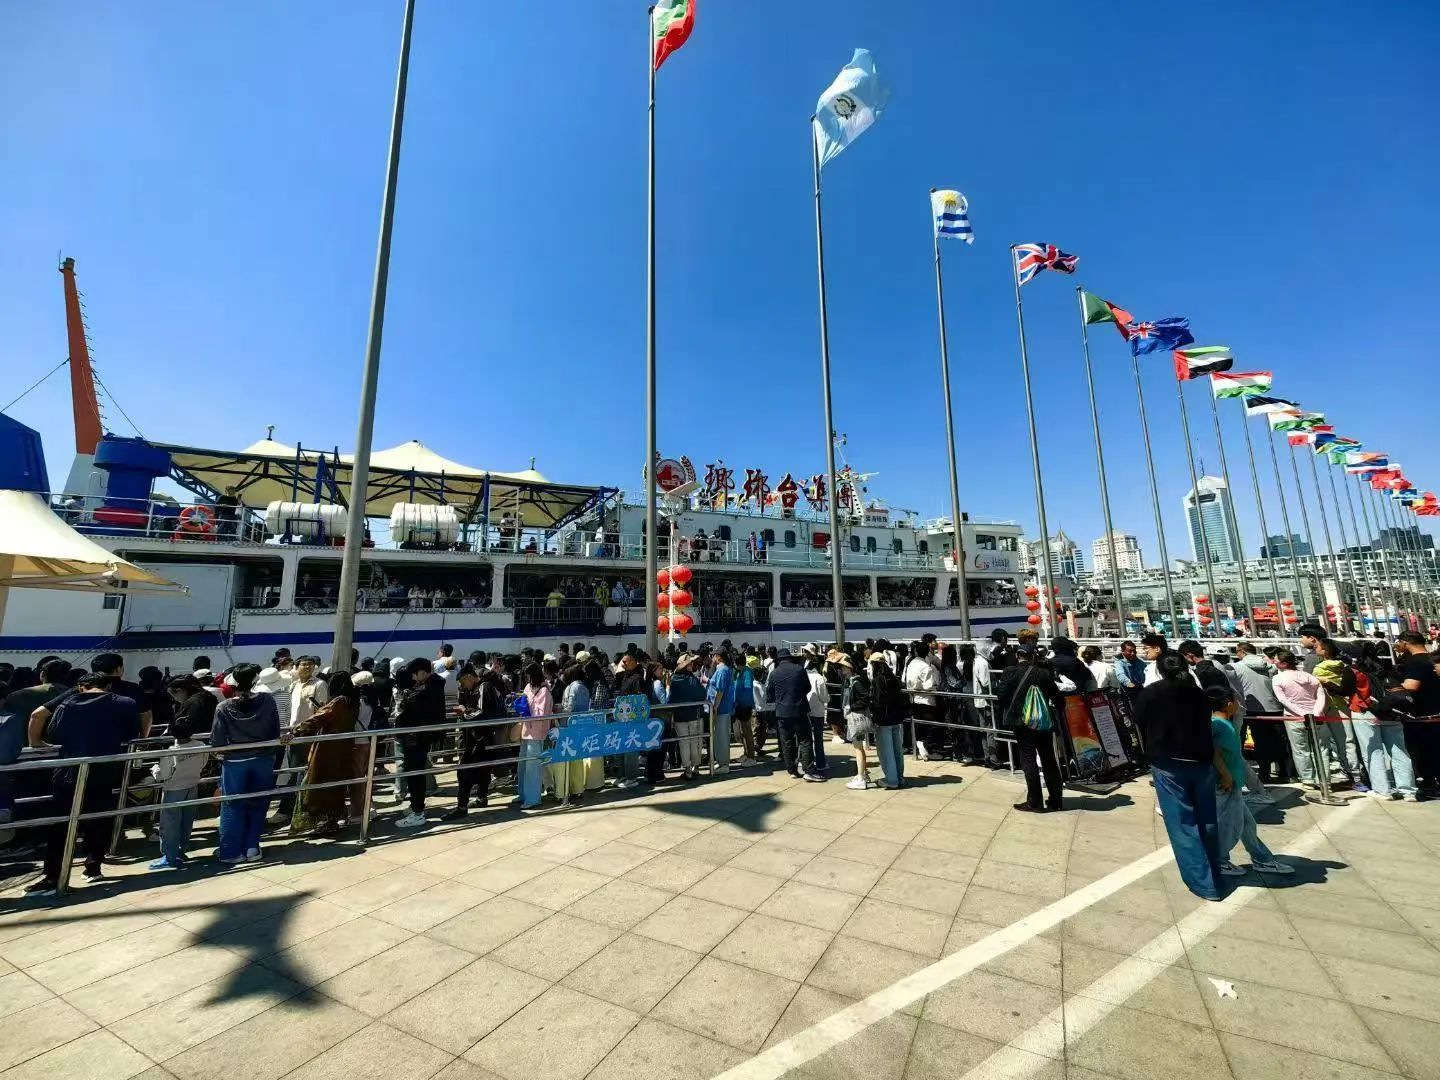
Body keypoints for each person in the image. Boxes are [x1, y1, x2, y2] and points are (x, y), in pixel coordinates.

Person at [25, 673, 143, 893]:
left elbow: (53, 733)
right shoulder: (125, 703)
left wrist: (38, 743)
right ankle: (93, 866)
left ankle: (53, 876)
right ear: (109, 686)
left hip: (68, 770)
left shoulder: (67, 703)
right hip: (105, 769)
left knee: (61, 824)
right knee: (99, 819)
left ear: (81, 687)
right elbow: (131, 733)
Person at [1135, 653, 1225, 900]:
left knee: (1182, 824)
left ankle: (1203, 883)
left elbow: (1138, 721)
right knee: (1207, 819)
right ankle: (1215, 872)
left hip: (1168, 762)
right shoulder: (1198, 693)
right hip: (1201, 761)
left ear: (1159, 670)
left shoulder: (1151, 693)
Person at [1206, 686, 1293, 877]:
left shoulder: (1224, 723)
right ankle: (1219, 860)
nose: (1239, 705)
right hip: (1225, 784)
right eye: (1236, 701)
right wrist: (1226, 775)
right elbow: (1213, 751)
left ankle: (1262, 858)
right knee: (1231, 827)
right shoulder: (1218, 725)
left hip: (1232, 782)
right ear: (1229, 704)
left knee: (1246, 825)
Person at [210, 663, 283, 866]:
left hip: (235, 761)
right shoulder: (267, 700)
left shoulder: (223, 707)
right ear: (255, 680)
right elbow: (275, 732)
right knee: (259, 802)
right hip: (263, 759)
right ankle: (252, 847)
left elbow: (217, 740)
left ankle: (230, 851)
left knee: (232, 805)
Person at [995, 645, 1066, 813]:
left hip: (1022, 722)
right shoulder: (1043, 673)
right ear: (1033, 656)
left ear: (1018, 655)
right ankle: (1056, 800)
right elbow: (1058, 698)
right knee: (1048, 759)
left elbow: (1001, 696)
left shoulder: (1010, 672)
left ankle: (1035, 802)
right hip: (1043, 722)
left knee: (1028, 760)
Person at [289, 671, 362, 834]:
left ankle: (322, 822)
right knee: (336, 786)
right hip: (344, 747)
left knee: (319, 786)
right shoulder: (353, 702)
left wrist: (295, 731)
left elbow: (319, 719)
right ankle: (332, 820)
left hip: (328, 749)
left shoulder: (338, 701)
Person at [1345, 641, 1416, 801]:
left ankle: (1382, 790)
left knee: (1373, 752)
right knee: (1400, 751)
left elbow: (1346, 690)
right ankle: (1408, 791)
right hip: (1392, 712)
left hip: (1365, 712)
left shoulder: (1354, 670)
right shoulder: (1387, 667)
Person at [1272, 648, 1345, 788]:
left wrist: (1301, 713)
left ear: (1283, 663)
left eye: (1276, 660)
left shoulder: (1277, 678)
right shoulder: (1310, 676)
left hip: (1294, 718)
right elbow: (1321, 695)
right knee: (1322, 749)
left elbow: (1283, 700)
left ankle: (1308, 779)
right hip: (1317, 717)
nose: (1274, 662)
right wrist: (1316, 712)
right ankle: (1324, 779)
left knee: (1301, 749)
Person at [150, 714, 207, 870]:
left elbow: (162, 775)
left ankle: (170, 856)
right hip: (192, 785)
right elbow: (203, 763)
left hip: (173, 789)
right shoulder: (201, 745)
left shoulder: (171, 751)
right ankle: (181, 850)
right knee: (186, 822)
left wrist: (154, 769)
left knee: (170, 824)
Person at [393, 658, 443, 827]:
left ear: (421, 672)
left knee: (414, 774)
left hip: (415, 739)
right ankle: (417, 807)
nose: (412, 678)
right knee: (416, 773)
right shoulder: (431, 686)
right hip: (419, 738)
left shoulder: (424, 692)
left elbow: (408, 714)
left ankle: (417, 812)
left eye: (413, 674)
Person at [1391, 630, 1440, 795]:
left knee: (1421, 751)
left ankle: (1428, 783)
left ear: (1406, 643)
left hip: (1420, 714)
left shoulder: (1414, 661)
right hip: (1436, 711)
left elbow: (1411, 685)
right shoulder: (1433, 659)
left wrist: (1392, 689)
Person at [770, 649, 820, 781]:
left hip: (782, 712)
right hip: (799, 709)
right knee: (805, 740)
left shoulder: (774, 673)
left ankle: (791, 770)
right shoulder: (799, 669)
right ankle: (808, 769)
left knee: (786, 742)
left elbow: (769, 694)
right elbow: (808, 687)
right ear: (790, 658)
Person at [866, 651, 907, 789]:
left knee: (886, 751)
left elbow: (878, 701)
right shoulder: (894, 679)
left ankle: (891, 779)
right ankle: (899, 777)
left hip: (883, 720)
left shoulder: (877, 681)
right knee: (897, 750)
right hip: (897, 718)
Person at [553, 664, 592, 806]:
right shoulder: (584, 687)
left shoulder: (571, 687)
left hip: (568, 726)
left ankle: (564, 792)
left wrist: (557, 709)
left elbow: (569, 707)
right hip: (581, 725)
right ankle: (578, 789)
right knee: (578, 758)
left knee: (565, 760)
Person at [515, 662, 552, 808]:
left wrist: (526, 709)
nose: (527, 678)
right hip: (526, 730)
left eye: (528, 675)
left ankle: (532, 798)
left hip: (537, 733)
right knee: (523, 765)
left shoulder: (544, 691)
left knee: (532, 766)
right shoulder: (528, 687)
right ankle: (523, 794)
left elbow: (540, 715)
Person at [837, 653, 874, 789]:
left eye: (843, 666)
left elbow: (865, 697)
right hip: (854, 717)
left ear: (850, 668)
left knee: (858, 748)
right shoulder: (850, 681)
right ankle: (862, 774)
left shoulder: (855, 682)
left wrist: (851, 707)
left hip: (856, 718)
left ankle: (861, 777)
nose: (841, 669)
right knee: (859, 748)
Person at [668, 653, 707, 779]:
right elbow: (702, 694)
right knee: (696, 742)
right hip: (695, 715)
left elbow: (671, 698)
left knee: (684, 743)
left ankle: (687, 770)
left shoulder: (674, 680)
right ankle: (696, 767)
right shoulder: (692, 679)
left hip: (680, 717)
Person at [904, 641, 940, 760]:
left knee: (919, 726)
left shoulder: (911, 664)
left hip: (914, 698)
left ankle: (920, 747)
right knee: (929, 726)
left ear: (915, 651)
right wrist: (936, 686)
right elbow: (928, 686)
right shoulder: (925, 667)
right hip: (926, 700)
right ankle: (927, 749)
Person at [707, 648, 737, 774]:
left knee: (721, 737)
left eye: (714, 655)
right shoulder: (723, 669)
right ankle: (721, 762)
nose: (712, 658)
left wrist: (715, 707)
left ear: (719, 657)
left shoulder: (722, 670)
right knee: (719, 736)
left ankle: (724, 763)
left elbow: (720, 690)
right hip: (722, 708)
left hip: (721, 709)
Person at [806, 653, 831, 774]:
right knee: (818, 739)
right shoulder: (819, 678)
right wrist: (828, 699)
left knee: (805, 739)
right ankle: (821, 763)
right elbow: (824, 697)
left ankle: (805, 761)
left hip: (805, 710)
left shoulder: (803, 675)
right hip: (817, 711)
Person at [733, 657, 757, 767]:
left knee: (747, 731)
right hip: (740, 704)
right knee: (743, 731)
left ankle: (751, 756)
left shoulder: (746, 672)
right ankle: (746, 753)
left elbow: (747, 688)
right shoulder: (741, 672)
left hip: (745, 705)